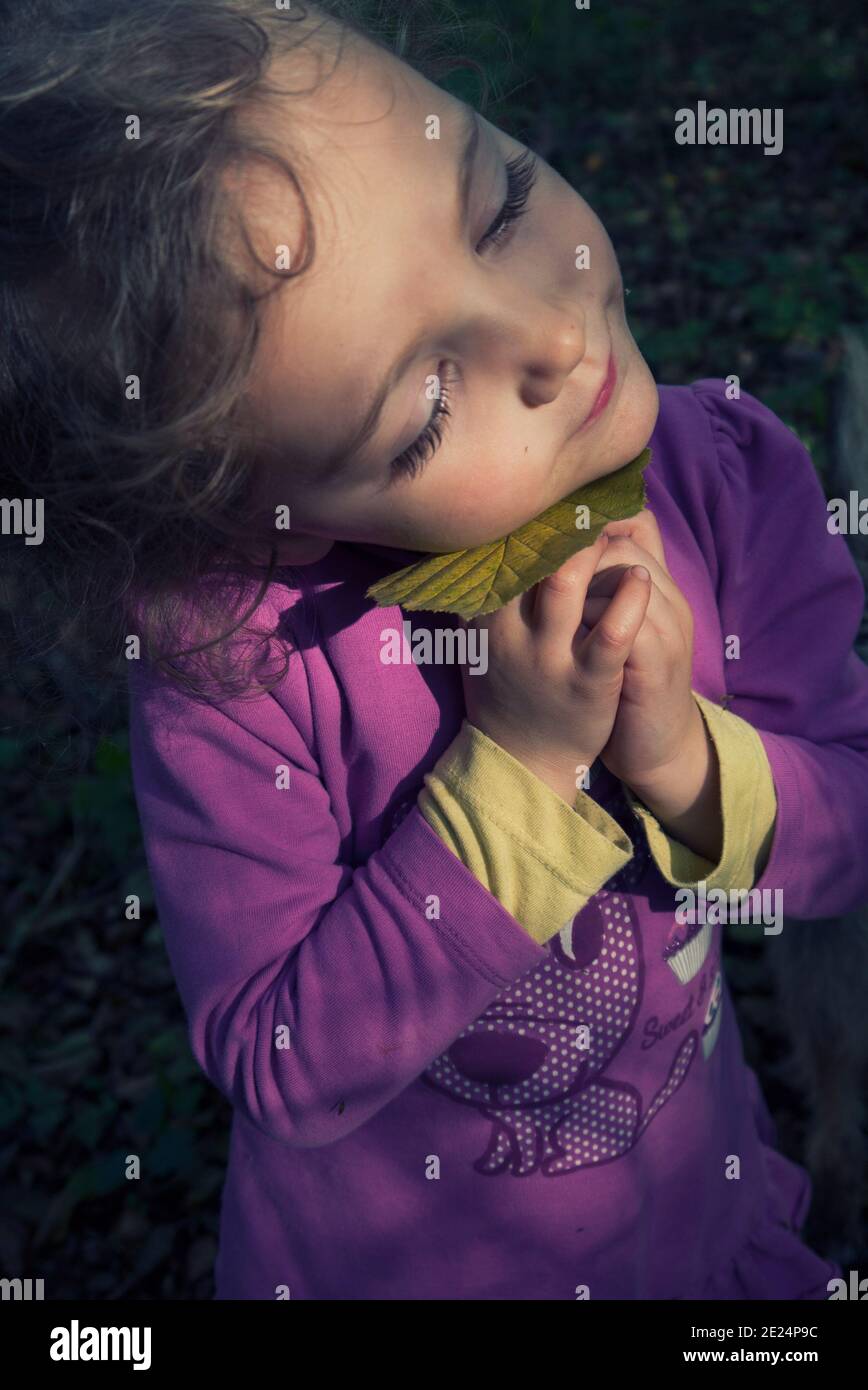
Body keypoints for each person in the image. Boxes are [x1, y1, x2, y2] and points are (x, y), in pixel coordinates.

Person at [4, 0, 866, 1299]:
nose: (550, 332)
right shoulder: (244, 661)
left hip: (683, 1228)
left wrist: (690, 762)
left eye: (502, 203)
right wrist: (515, 778)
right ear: (260, 527)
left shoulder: (730, 483)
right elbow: (276, 1052)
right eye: (420, 413)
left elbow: (845, 822)